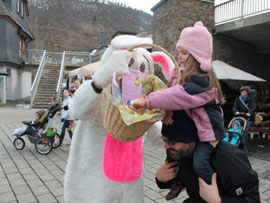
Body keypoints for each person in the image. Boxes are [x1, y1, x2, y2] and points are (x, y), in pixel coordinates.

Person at [132, 21, 225, 187]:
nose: (179, 56)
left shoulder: (202, 82)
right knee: (172, 159)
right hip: (190, 131)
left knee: (200, 163)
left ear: (197, 56)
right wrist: (166, 111)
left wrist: (148, 101)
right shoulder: (178, 74)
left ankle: (215, 189)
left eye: (184, 53)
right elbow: (170, 96)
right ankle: (179, 182)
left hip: (209, 133)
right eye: (178, 52)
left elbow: (178, 96)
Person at [156, 115, 260, 202]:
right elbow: (180, 180)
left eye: (171, 142)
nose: (166, 146)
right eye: (164, 140)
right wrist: (161, 179)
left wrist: (218, 201)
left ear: (191, 139)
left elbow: (253, 199)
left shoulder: (229, 158)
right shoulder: (178, 151)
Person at [233, 86, 256, 152]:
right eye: (242, 92)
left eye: (245, 92)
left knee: (245, 132)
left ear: (247, 93)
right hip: (240, 117)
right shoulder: (238, 99)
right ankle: (241, 146)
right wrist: (236, 111)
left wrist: (249, 113)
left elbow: (253, 107)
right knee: (238, 131)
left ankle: (244, 148)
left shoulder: (251, 99)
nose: (243, 93)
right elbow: (234, 107)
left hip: (249, 118)